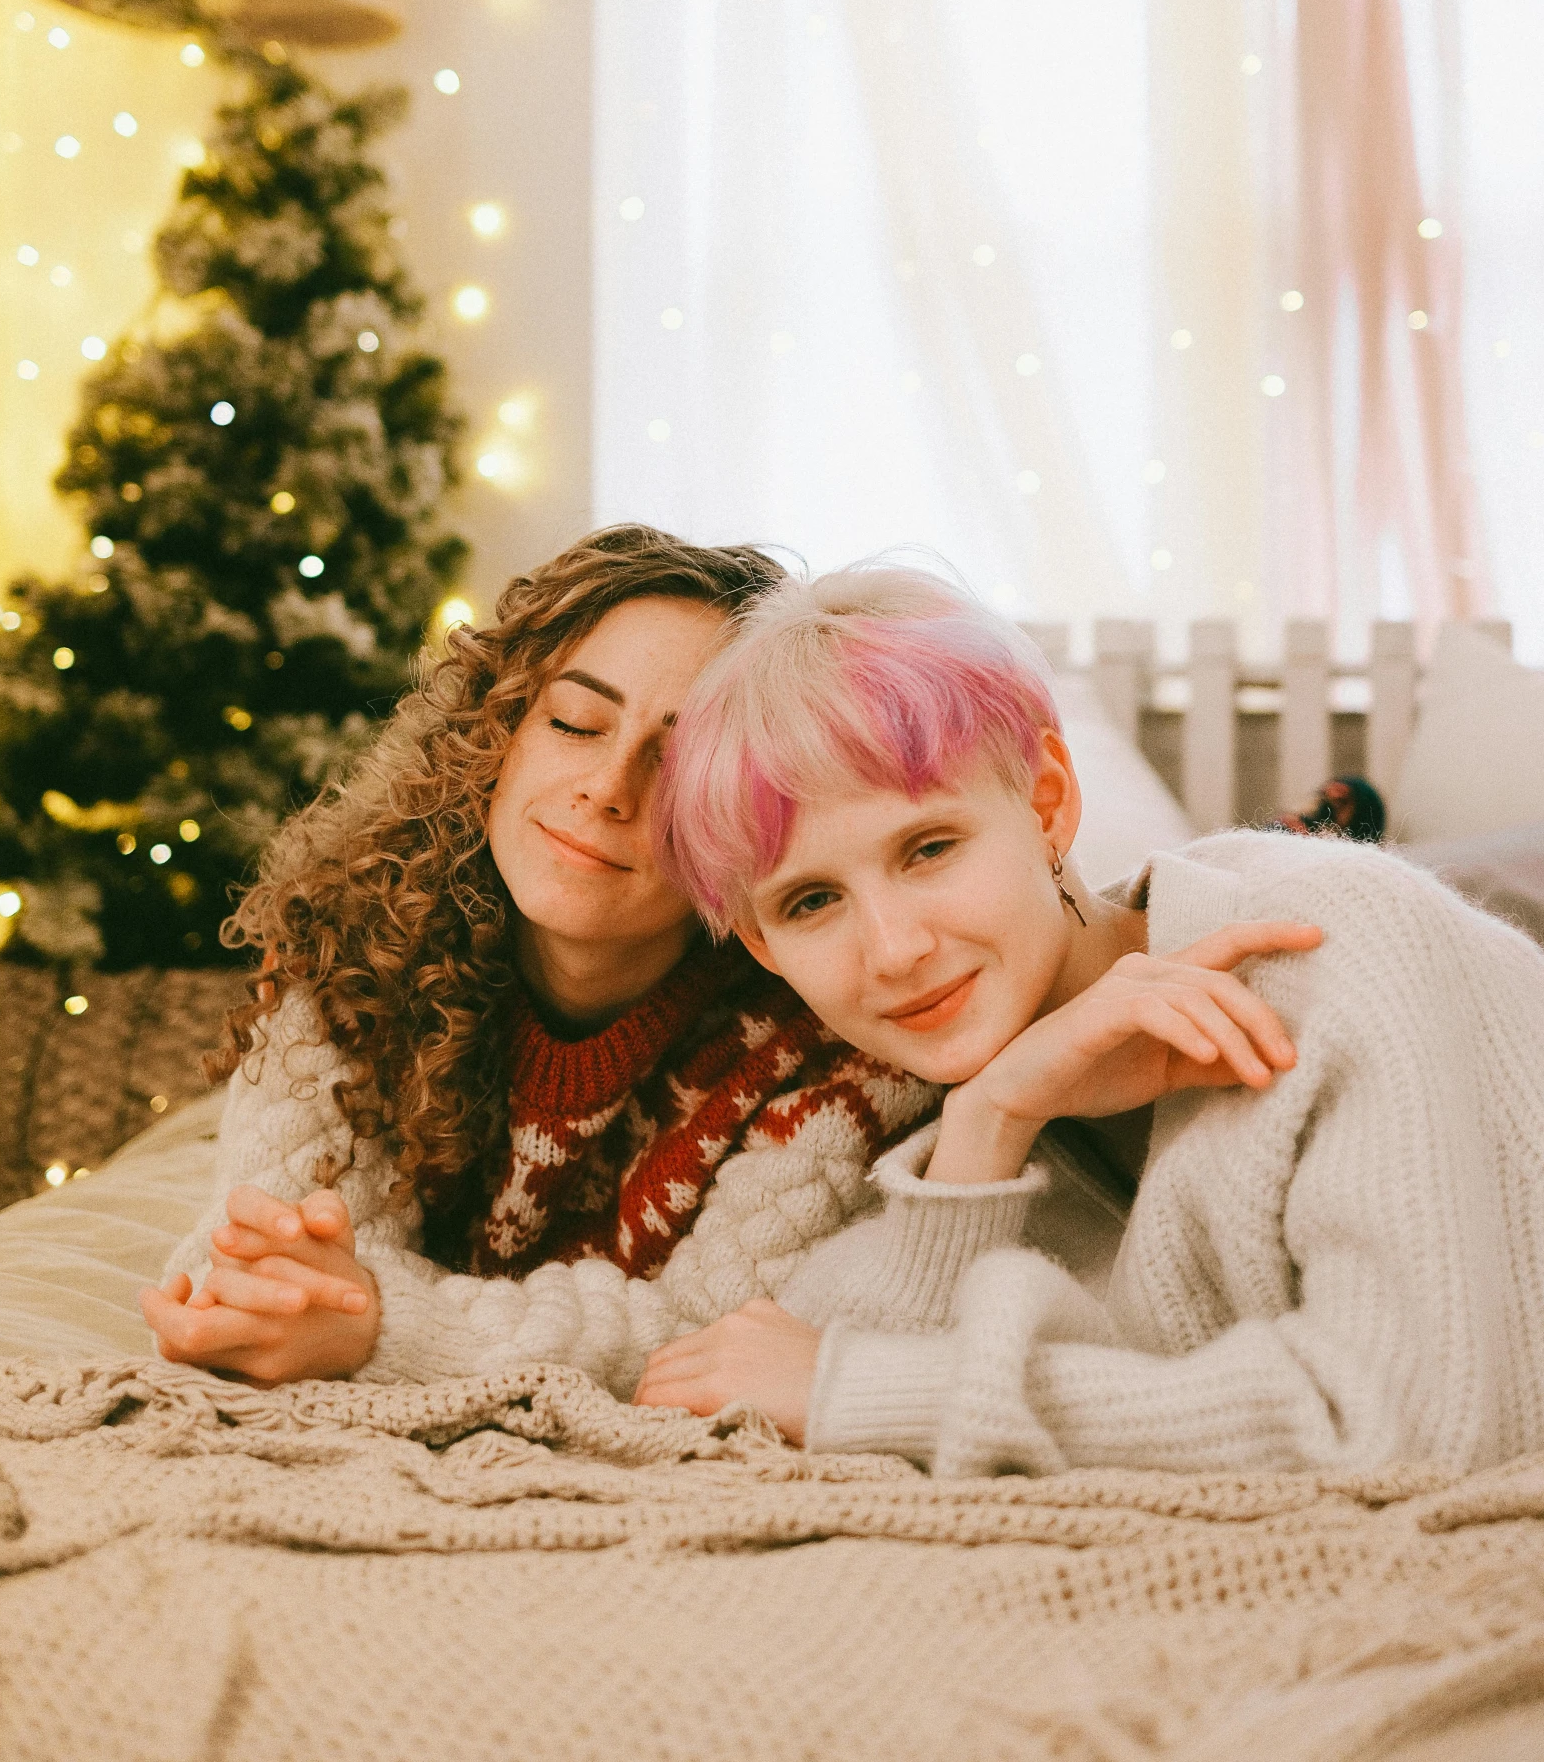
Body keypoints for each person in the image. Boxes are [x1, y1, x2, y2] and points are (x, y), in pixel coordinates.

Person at [640, 566, 1544, 1479]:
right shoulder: (943, 1100)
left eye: (929, 848)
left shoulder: (1332, 950)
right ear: (761, 945)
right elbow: (812, 1356)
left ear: (1046, 805)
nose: (892, 950)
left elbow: (1419, 1422)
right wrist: (986, 1125)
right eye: (809, 902)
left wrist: (874, 1393)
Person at [142, 527, 934, 1390]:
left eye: (676, 762)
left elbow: (712, 1339)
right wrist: (322, 1303)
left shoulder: (833, 1035)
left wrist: (384, 1324)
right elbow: (266, 1264)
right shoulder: (357, 941)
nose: (607, 786)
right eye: (575, 722)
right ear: (497, 734)